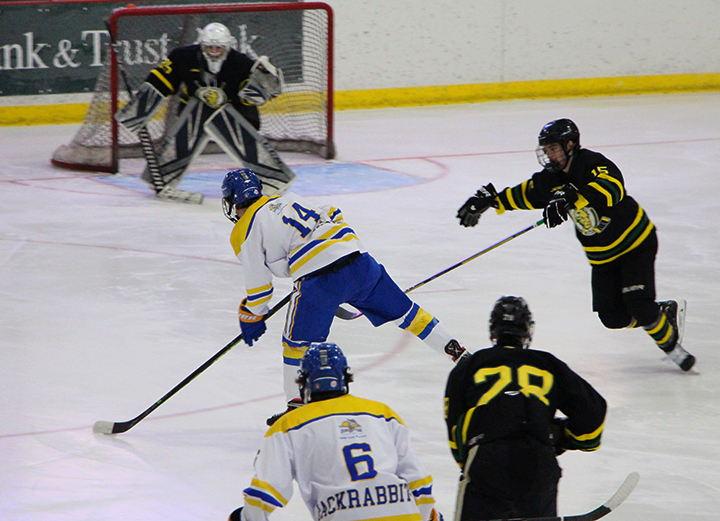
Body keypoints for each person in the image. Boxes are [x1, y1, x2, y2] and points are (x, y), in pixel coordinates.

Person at [222, 168, 469, 425]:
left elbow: (259, 287)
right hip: (360, 263)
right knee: (410, 314)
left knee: (295, 344)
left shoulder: (244, 229)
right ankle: (459, 353)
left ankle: (296, 409)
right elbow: (332, 211)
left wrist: (254, 314)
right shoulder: (290, 198)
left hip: (320, 282)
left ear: (231, 202)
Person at [456, 118, 695, 372]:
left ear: (570, 145)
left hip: (634, 243)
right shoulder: (552, 178)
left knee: (639, 306)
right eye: (546, 149)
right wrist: (493, 201)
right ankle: (663, 313)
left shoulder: (592, 163)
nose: (549, 155)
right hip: (602, 258)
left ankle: (672, 348)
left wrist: (572, 197)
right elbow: (528, 193)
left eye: (553, 148)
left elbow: (613, 188)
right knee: (613, 318)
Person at [228, 342, 443, 521]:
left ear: (304, 383)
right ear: (345, 378)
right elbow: (419, 483)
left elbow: (265, 492)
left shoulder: (288, 426)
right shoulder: (382, 413)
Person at [444, 296, 607, 521]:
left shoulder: (470, 366)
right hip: (538, 462)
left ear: (494, 330)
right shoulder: (547, 364)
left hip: (487, 459)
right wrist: (562, 437)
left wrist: (473, 462)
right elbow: (593, 412)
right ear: (527, 331)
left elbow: (456, 431)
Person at [116, 22, 292, 196]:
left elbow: (250, 100)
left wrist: (265, 85)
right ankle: (162, 177)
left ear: (227, 46)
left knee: (225, 118)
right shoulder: (183, 57)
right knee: (196, 112)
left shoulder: (241, 64)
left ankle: (273, 178)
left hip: (235, 114)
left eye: (219, 48)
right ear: (201, 45)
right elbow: (162, 80)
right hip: (195, 113)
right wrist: (139, 111)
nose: (214, 52)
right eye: (210, 47)